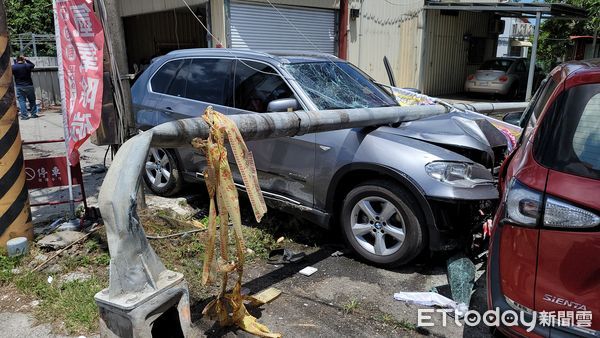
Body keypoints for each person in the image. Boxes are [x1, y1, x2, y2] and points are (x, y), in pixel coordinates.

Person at [12, 55, 38, 119]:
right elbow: (33, 65)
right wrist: (26, 59)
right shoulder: (27, 65)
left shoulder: (13, 67)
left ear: (17, 60)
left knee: (22, 101)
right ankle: (33, 114)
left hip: (19, 86)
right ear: (23, 59)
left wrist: (15, 62)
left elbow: (14, 68)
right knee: (32, 100)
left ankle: (24, 116)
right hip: (29, 85)